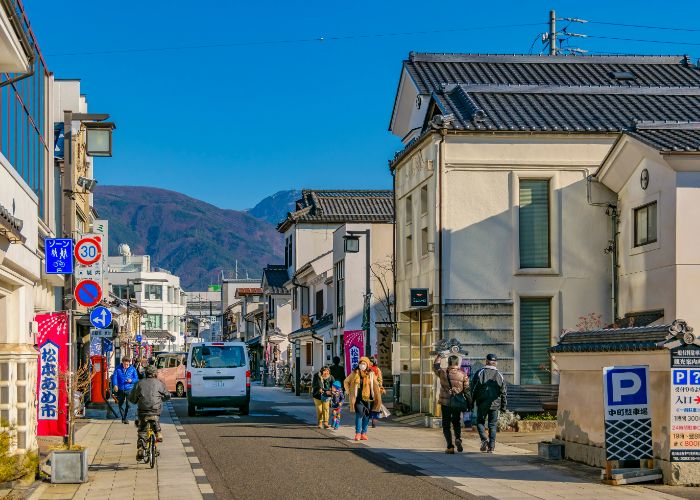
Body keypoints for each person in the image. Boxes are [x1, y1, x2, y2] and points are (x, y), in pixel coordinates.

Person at [128, 365, 170, 461]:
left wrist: (135, 400)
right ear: (155, 374)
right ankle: (158, 432)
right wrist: (161, 399)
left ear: (145, 373)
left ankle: (141, 447)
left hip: (143, 411)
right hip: (156, 409)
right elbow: (167, 395)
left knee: (142, 429)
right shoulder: (160, 383)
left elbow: (132, 398)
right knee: (155, 417)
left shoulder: (139, 383)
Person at [433, 353, 470, 454]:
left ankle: (450, 446)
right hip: (457, 403)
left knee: (446, 425)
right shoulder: (463, 375)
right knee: (456, 422)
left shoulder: (443, 372)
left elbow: (435, 366)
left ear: (448, 363)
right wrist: (469, 403)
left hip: (445, 403)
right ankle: (458, 438)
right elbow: (467, 390)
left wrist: (439, 356)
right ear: (458, 363)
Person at [471, 353, 507, 453]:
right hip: (495, 404)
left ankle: (484, 439)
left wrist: (471, 402)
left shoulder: (480, 372)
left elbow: (473, 389)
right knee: (492, 425)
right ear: (496, 363)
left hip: (482, 402)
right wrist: (503, 407)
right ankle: (491, 447)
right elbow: (504, 392)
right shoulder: (500, 375)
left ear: (486, 361)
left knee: (479, 421)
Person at [344, 356, 382, 441]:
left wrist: (380, 389)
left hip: (369, 399)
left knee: (366, 416)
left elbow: (376, 384)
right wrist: (348, 391)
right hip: (358, 399)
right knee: (359, 415)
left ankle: (363, 433)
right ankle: (358, 433)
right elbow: (346, 381)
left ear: (367, 365)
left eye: (364, 364)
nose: (362, 365)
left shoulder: (371, 374)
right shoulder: (354, 373)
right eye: (361, 363)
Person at [111, 357, 139, 424]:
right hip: (120, 389)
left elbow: (136, 378)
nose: (126, 366)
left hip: (129, 389)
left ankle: (125, 417)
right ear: (122, 362)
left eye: (127, 364)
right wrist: (115, 385)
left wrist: (131, 380)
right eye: (124, 364)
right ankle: (123, 418)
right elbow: (114, 377)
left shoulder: (133, 369)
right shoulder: (118, 368)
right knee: (120, 404)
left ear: (129, 363)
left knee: (128, 405)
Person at [369, 357, 386, 428]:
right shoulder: (374, 370)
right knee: (374, 406)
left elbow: (379, 380)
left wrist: (380, 387)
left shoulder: (371, 370)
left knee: (373, 405)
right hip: (372, 390)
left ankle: (371, 420)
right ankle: (373, 420)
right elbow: (380, 381)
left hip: (371, 390)